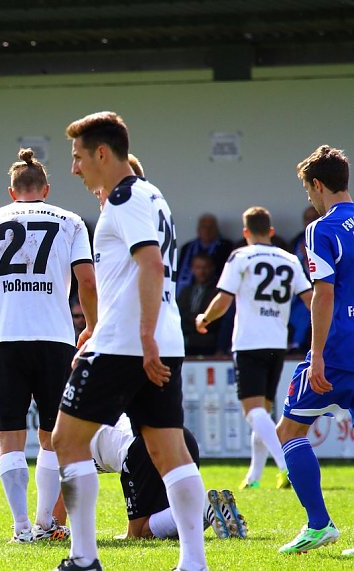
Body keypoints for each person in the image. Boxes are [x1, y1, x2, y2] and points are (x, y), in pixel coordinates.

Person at [52, 111, 207, 571]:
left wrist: (139, 338)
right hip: (157, 339)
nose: (74, 168)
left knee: (65, 440)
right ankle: (193, 563)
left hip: (129, 345)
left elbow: (152, 265)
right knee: (167, 451)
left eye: (78, 157)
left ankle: (83, 558)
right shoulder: (150, 193)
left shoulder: (124, 199)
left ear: (102, 153)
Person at [0, 148, 97, 543]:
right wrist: (93, 327)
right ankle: (46, 521)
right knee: (51, 435)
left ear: (11, 192)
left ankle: (21, 529)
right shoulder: (72, 221)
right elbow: (88, 281)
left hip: (7, 340)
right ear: (45, 189)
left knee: (9, 435)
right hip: (56, 340)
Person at [195, 206, 312, 490]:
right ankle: (255, 476)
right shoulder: (289, 259)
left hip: (249, 342)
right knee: (263, 411)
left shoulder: (241, 256)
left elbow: (223, 300)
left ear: (245, 232)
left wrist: (204, 318)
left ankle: (286, 465)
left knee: (252, 412)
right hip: (277, 343)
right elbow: (310, 299)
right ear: (271, 231)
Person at [276, 146, 354, 557]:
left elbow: (322, 296)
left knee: (289, 432)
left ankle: (319, 524)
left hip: (337, 350)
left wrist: (317, 354)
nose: (308, 195)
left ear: (318, 185)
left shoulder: (320, 229)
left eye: (308, 188)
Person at [89, 415, 246, 540]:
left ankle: (201, 506)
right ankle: (208, 510)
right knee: (166, 525)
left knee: (139, 533)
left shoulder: (67, 434)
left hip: (143, 446)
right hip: (181, 437)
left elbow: (65, 495)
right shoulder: (85, 415)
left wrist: (62, 528)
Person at [175, 214, 233, 297]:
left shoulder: (226, 246)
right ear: (198, 230)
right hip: (188, 290)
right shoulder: (187, 247)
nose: (207, 230)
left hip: (214, 290)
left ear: (217, 229)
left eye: (211, 227)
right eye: (204, 227)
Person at [176, 253, 223, 356]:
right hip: (186, 341)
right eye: (198, 268)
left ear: (212, 268)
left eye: (205, 268)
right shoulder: (186, 291)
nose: (202, 272)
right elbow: (179, 312)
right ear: (192, 269)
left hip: (209, 343)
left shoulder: (218, 292)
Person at [288, 205, 320, 352]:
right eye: (308, 219)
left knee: (305, 309)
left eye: (314, 217)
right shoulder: (295, 243)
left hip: (321, 293)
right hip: (294, 294)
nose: (311, 221)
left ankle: (297, 346)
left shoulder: (330, 240)